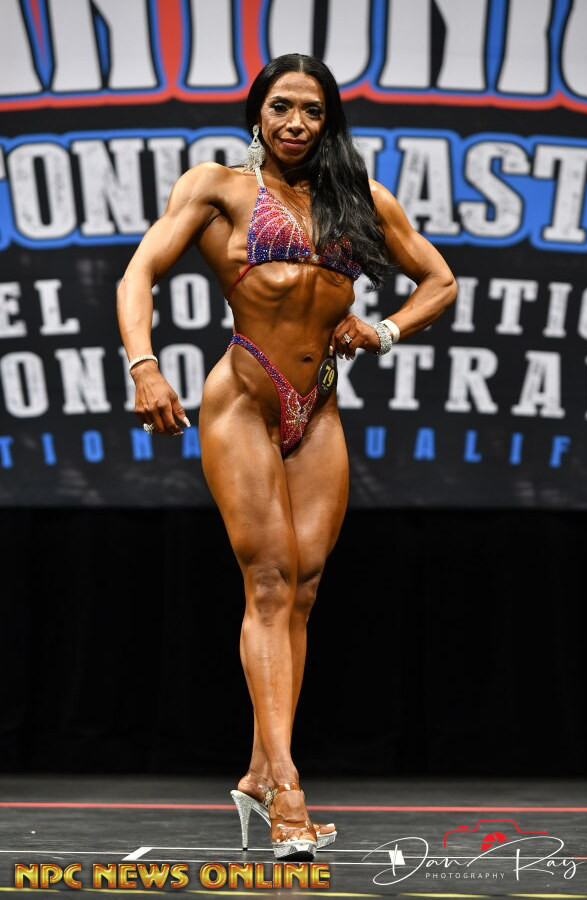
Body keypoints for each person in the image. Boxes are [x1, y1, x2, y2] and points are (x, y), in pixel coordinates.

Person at [116, 53, 457, 861]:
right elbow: (140, 272)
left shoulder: (358, 199)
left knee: (301, 591)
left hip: (319, 406)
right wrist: (144, 364)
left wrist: (383, 330)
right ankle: (290, 790)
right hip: (245, 395)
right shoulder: (219, 188)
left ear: (328, 119)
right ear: (257, 115)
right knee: (268, 582)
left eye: (311, 110)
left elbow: (440, 281)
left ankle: (259, 774)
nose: (296, 123)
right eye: (281, 107)